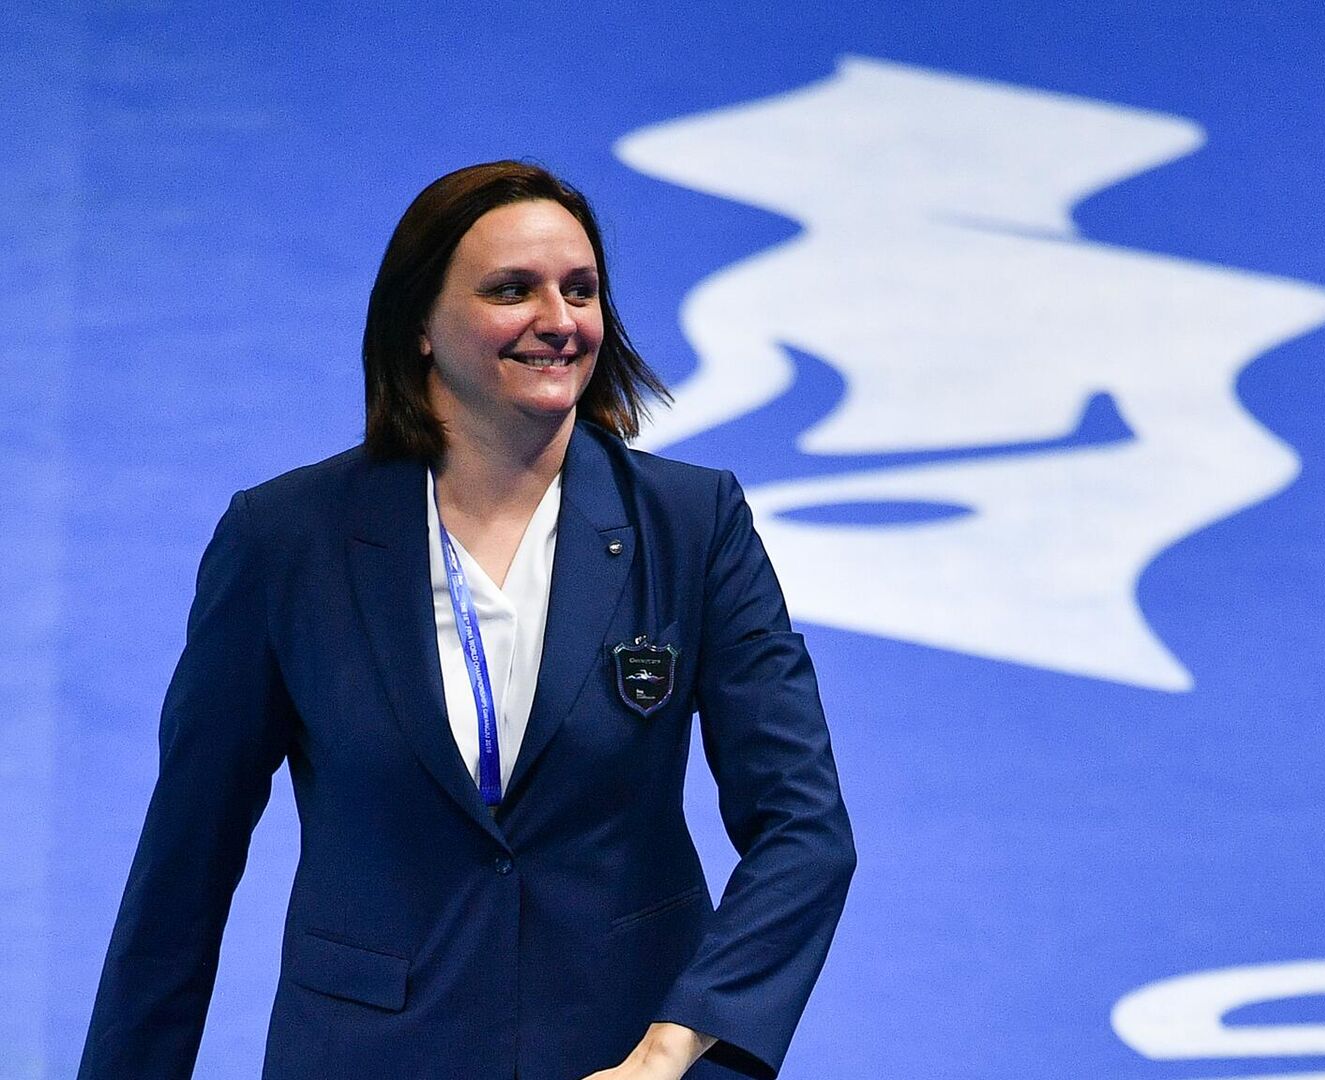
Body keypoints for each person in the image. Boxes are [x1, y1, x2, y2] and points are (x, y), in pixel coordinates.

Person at [78, 161, 856, 1080]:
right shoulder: (285, 540)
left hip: (628, 1059)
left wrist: (674, 1045)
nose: (559, 320)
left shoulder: (693, 524)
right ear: (419, 324)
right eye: (512, 290)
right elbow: (185, 869)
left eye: (580, 290)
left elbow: (804, 830)